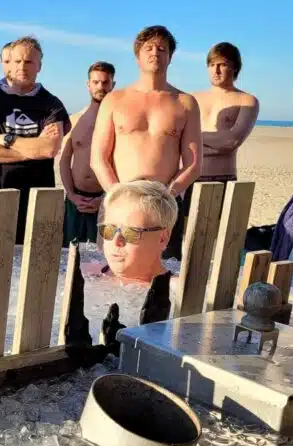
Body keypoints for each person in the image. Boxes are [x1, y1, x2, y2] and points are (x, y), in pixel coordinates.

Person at [90, 25, 202, 260]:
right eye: (148, 48)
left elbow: (193, 164)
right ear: (137, 56)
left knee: (163, 267)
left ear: (170, 57)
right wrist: (118, 195)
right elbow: (98, 158)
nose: (155, 53)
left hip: (164, 201)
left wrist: (167, 196)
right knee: (114, 265)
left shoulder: (185, 103)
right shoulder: (114, 100)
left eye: (162, 49)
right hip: (119, 198)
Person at [0, 36, 70, 244]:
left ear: (39, 66)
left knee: (36, 256)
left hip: (37, 200)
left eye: (29, 61)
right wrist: (32, 151)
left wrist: (6, 139)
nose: (22, 66)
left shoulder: (51, 104)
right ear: (9, 64)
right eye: (17, 61)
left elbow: (49, 149)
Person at [60, 61, 116, 245]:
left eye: (105, 82)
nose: (100, 87)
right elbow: (64, 160)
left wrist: (106, 198)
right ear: (88, 84)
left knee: (103, 253)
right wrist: (71, 194)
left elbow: (123, 164)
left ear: (113, 84)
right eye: (96, 82)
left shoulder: (119, 121)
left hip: (106, 198)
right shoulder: (75, 120)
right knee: (69, 252)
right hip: (75, 199)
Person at [193, 42, 259, 182]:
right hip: (188, 178)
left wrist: (194, 140)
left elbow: (231, 141)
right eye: (212, 65)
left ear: (235, 67)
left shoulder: (246, 100)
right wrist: (217, 144)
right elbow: (178, 142)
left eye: (222, 64)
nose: (216, 70)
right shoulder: (193, 99)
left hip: (223, 177)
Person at [97, 180, 177, 285]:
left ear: (162, 239)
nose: (116, 241)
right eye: (108, 230)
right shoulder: (86, 273)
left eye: (130, 232)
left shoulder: (175, 289)